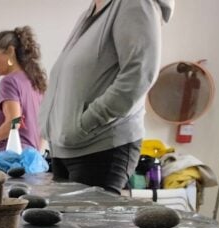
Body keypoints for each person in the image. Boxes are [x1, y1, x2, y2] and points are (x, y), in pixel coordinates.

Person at [39, 0, 175, 194]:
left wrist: (86, 123)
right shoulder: (92, 13)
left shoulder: (134, 4)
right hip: (66, 146)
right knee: (64, 223)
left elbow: (139, 74)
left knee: (85, 224)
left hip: (99, 146)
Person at [0, 26, 47, 153]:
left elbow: (14, 121)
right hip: (33, 160)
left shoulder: (9, 81)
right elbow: (44, 126)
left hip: (12, 159)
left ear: (10, 51)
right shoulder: (36, 81)